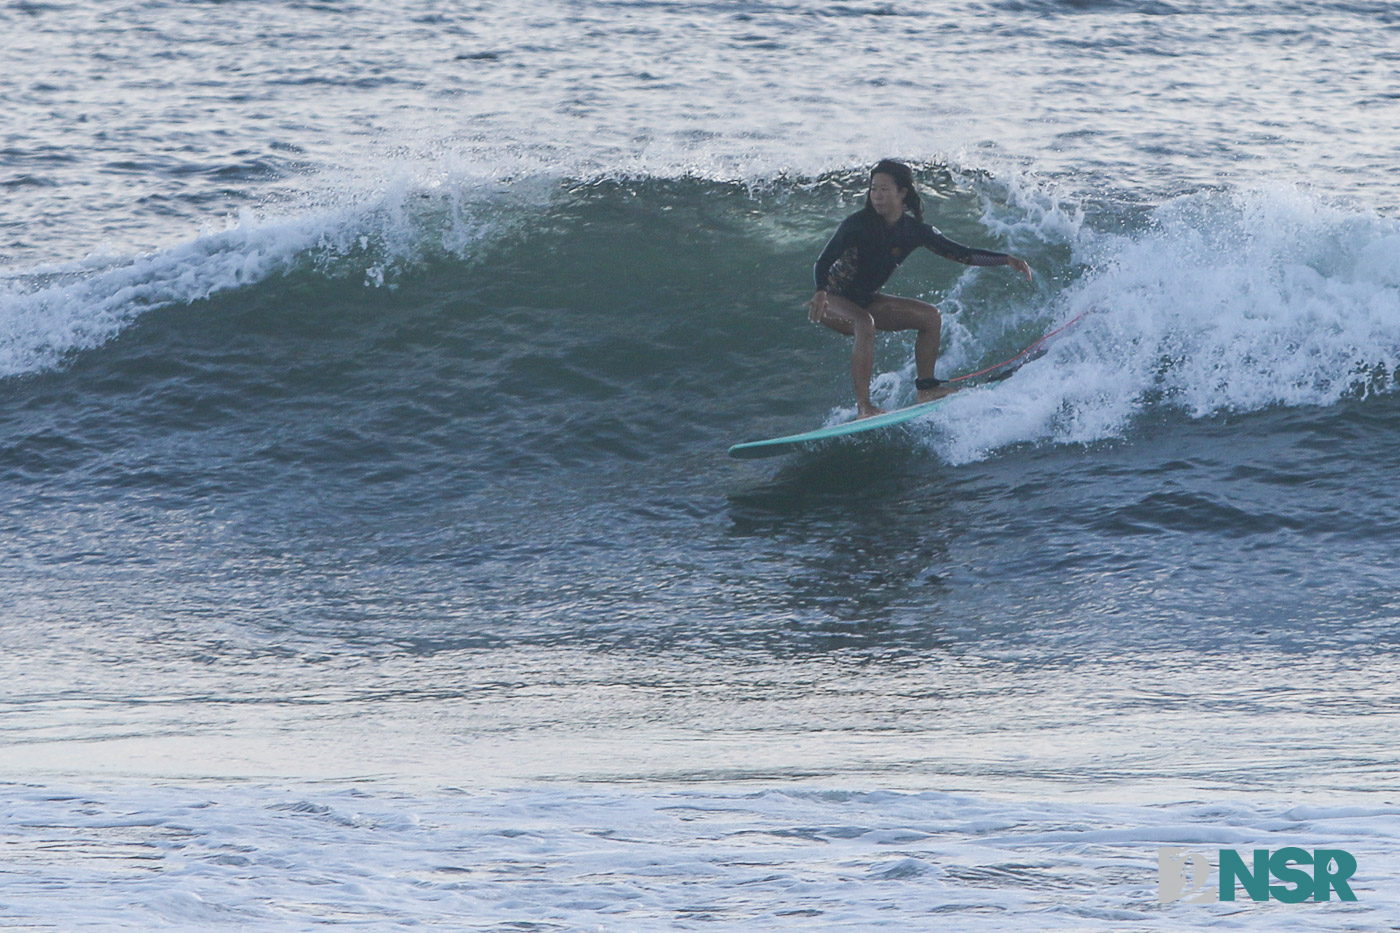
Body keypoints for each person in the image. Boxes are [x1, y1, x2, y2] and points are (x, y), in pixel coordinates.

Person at [808, 159, 1033, 418]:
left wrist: (1006, 259)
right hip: (832, 299)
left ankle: (927, 388)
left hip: (865, 299)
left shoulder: (914, 231)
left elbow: (963, 254)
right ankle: (864, 407)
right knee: (864, 323)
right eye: (873, 189)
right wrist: (820, 290)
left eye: (884, 189)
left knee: (930, 317)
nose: (877, 196)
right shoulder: (857, 224)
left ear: (902, 192)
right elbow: (823, 261)